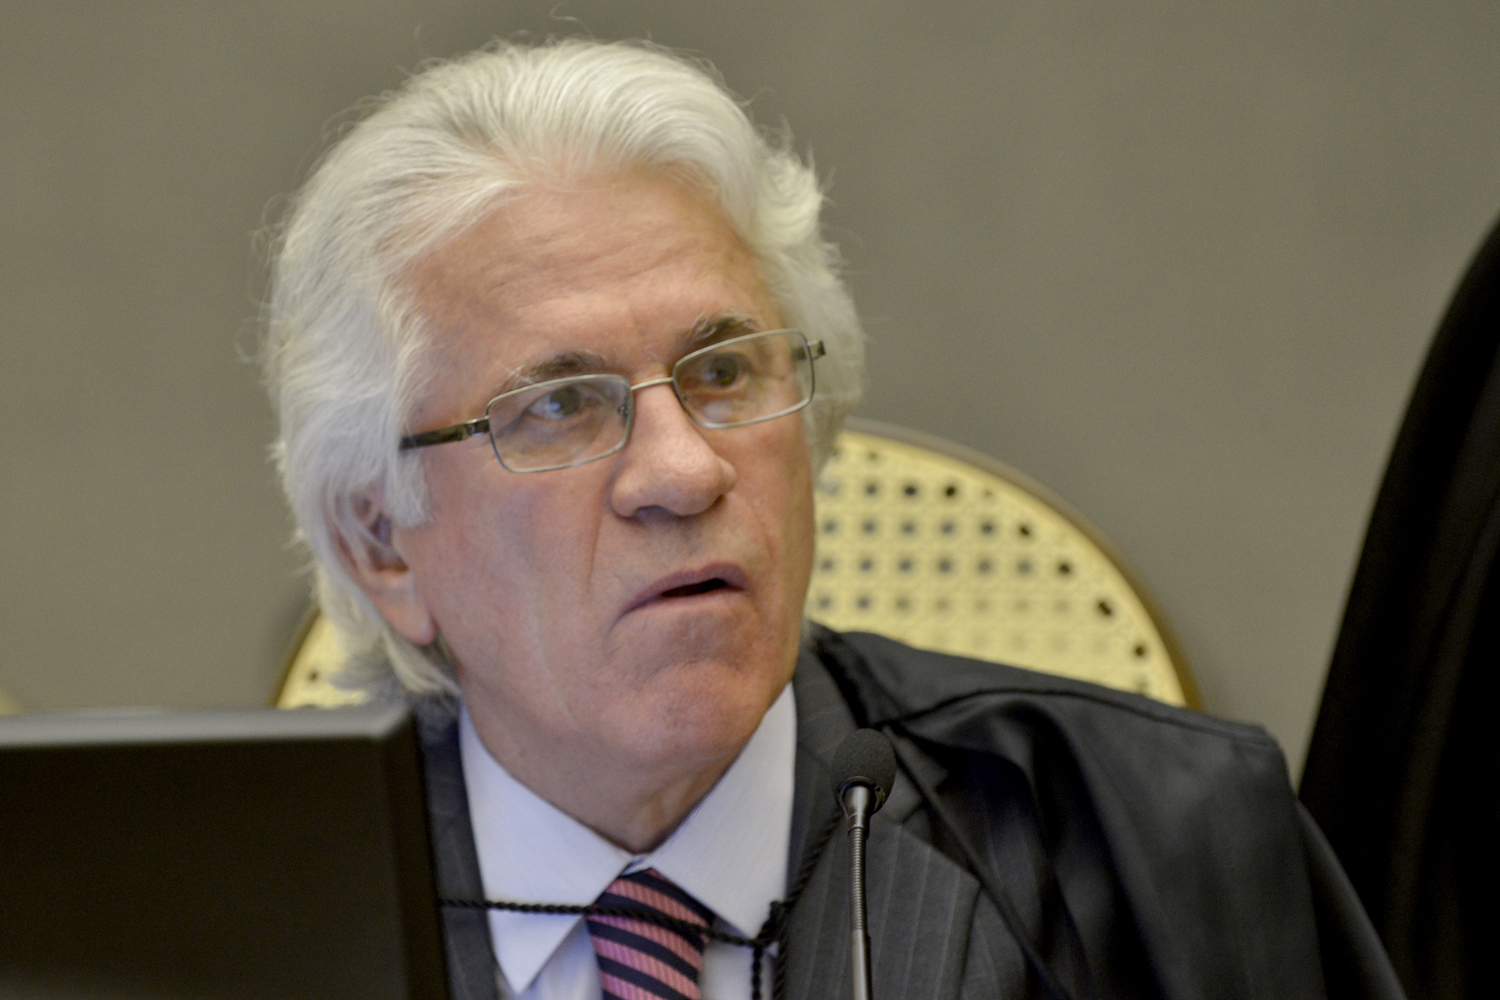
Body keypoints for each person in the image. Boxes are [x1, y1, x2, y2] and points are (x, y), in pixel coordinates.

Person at [263, 38, 1403, 1000]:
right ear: (381, 542)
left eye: (723, 371)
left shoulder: (1166, 842)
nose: (683, 471)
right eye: (559, 405)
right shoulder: (239, 919)